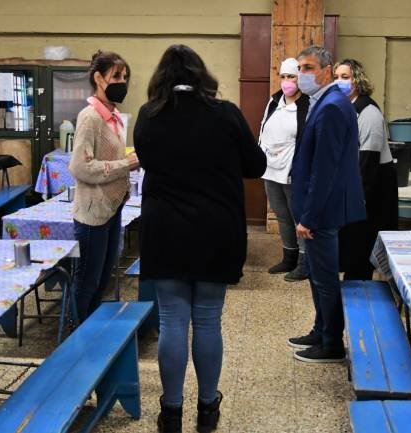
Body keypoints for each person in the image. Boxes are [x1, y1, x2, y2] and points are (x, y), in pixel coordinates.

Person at [133, 44, 266, 433]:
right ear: (200, 75)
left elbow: (145, 156)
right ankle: (208, 408)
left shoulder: (149, 116)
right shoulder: (225, 114)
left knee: (173, 321)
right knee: (208, 321)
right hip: (215, 229)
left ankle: (170, 411)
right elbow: (255, 165)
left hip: (165, 229)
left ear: (161, 77)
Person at [286, 46, 366, 363]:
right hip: (318, 208)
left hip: (322, 210)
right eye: (300, 68)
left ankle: (331, 344)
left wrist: (310, 216)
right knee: (319, 275)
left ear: (327, 69)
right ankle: (320, 330)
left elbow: (325, 170)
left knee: (325, 278)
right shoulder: (326, 102)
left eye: (309, 68)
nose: (303, 74)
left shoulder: (332, 106)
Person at [68, 50, 139, 322]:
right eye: (116, 76)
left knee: (102, 280)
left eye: (125, 77)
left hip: (112, 208)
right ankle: (77, 337)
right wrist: (126, 165)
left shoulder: (114, 115)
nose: (122, 82)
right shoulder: (90, 117)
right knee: (87, 281)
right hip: (92, 214)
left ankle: (90, 334)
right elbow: (81, 167)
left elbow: (110, 157)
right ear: (98, 78)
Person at [334, 58, 398, 280]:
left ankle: (359, 293)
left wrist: (354, 198)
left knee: (362, 246)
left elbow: (367, 162)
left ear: (357, 80)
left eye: (345, 77)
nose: (340, 82)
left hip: (371, 187)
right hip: (354, 180)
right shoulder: (347, 108)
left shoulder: (369, 112)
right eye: (336, 77)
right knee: (352, 247)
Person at [259, 58, 310, 282]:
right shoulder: (274, 101)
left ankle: (304, 262)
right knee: (281, 216)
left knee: (297, 217)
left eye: (292, 77)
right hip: (270, 169)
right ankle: (288, 257)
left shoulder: (307, 105)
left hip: (292, 170)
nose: (287, 82)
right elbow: (263, 129)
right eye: (284, 77)